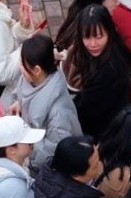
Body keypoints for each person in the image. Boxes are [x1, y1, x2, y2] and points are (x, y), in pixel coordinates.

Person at [64, 5, 131, 136]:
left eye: (98, 36)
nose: (93, 44)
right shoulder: (114, 47)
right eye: (87, 37)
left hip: (105, 130)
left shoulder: (109, 69)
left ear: (109, 32)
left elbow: (85, 107)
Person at [14, 34, 81, 172]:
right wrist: (17, 102)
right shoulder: (31, 79)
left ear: (37, 70)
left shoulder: (59, 114)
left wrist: (24, 140)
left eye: (23, 65)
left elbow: (52, 154)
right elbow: (19, 92)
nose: (21, 68)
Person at [54, 0, 119, 52]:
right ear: (99, 1)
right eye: (115, 0)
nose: (118, 3)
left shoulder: (77, 12)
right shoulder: (86, 36)